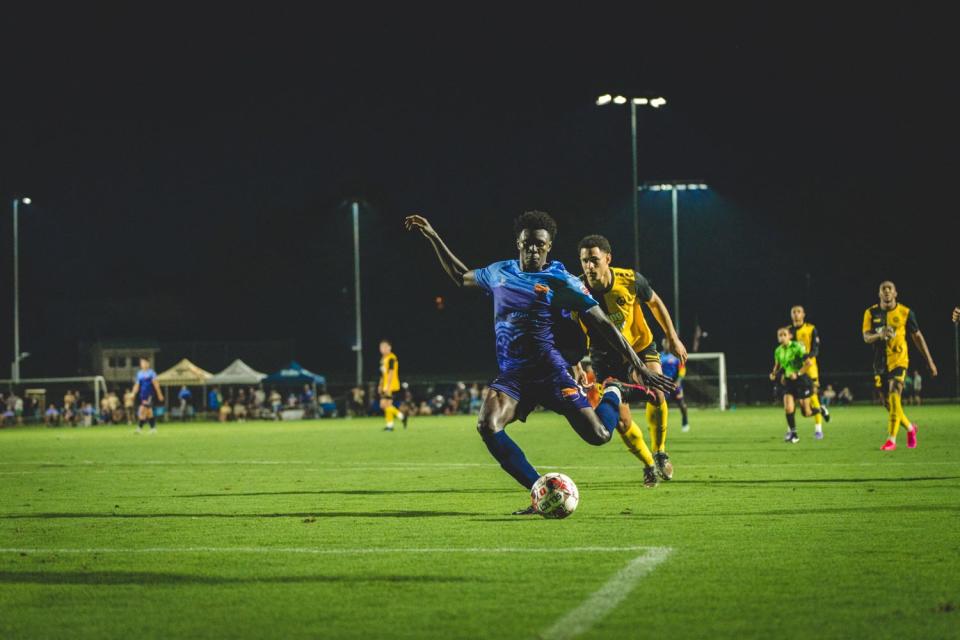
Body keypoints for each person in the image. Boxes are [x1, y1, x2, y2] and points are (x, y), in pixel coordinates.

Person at [405, 211, 674, 514]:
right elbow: (459, 275)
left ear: (548, 248)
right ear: (518, 244)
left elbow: (601, 321)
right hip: (514, 376)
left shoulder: (560, 280)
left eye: (540, 245)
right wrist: (432, 235)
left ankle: (614, 390)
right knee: (488, 425)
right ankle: (539, 491)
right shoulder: (499, 272)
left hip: (551, 372)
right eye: (527, 244)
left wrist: (635, 363)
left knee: (599, 435)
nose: (533, 250)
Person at [573, 234, 687, 485]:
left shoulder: (630, 279)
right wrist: (576, 365)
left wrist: (673, 337)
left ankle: (660, 452)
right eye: (584, 261)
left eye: (594, 260)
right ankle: (648, 464)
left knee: (658, 391)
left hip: (640, 346)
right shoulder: (576, 290)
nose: (589, 266)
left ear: (607, 259)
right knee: (622, 422)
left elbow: (655, 303)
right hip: (604, 358)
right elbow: (570, 333)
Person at [862, 281, 937, 451]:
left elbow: (918, 337)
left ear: (896, 293)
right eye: (884, 289)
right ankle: (910, 428)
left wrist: (930, 361)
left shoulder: (906, 312)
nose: (887, 291)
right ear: (879, 294)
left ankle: (891, 439)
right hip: (880, 364)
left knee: (895, 393)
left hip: (899, 361)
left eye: (890, 289)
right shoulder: (870, 312)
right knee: (888, 404)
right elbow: (866, 337)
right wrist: (879, 334)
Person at [770, 326, 829, 443]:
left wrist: (797, 373)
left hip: (801, 382)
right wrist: (773, 373)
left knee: (806, 413)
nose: (782, 337)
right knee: (788, 408)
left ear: (790, 336)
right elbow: (778, 365)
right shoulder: (778, 350)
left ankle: (821, 410)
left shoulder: (797, 347)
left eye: (784, 335)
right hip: (788, 382)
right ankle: (794, 435)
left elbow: (808, 363)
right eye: (779, 335)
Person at [791, 306, 827, 435]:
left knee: (813, 396)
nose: (796, 314)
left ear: (804, 314)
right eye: (794, 312)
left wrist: (807, 359)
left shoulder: (811, 329)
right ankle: (792, 430)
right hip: (794, 370)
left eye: (798, 312)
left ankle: (818, 430)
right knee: (798, 405)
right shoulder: (788, 331)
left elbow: (816, 349)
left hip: (810, 368)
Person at [660, 340, 690, 433]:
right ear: (663, 344)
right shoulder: (659, 356)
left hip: (675, 384)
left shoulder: (676, 356)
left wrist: (678, 381)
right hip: (664, 385)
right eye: (665, 343)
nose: (667, 345)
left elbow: (682, 370)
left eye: (668, 343)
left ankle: (685, 422)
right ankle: (660, 426)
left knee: (682, 405)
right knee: (661, 407)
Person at [131, 357, 164, 434]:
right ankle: (153, 429)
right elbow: (137, 385)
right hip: (142, 396)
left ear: (148, 364)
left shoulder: (151, 373)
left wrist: (160, 394)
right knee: (149, 412)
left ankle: (139, 428)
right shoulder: (139, 374)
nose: (143, 364)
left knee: (142, 410)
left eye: (145, 362)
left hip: (150, 395)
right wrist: (133, 393)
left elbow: (156, 384)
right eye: (142, 363)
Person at [379, 339, 407, 431]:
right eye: (381, 347)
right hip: (386, 385)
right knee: (384, 405)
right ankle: (401, 417)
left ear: (389, 348)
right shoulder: (383, 359)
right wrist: (380, 385)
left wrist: (387, 386)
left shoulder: (392, 358)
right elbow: (383, 374)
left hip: (391, 385)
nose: (383, 349)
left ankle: (390, 425)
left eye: (385, 347)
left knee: (385, 404)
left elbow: (391, 373)